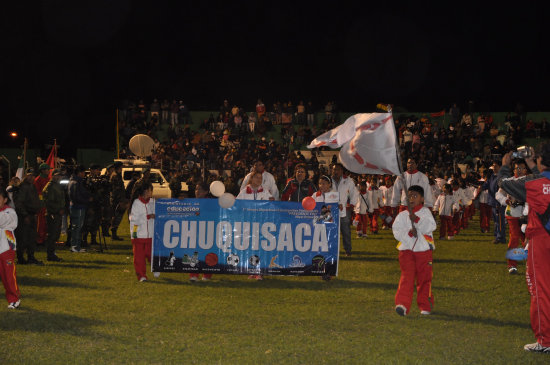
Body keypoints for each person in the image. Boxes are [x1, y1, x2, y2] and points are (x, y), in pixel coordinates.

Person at [497, 143, 550, 353]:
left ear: (539, 160)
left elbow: (503, 183)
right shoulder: (539, 178)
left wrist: (504, 165)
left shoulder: (532, 182)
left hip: (541, 239)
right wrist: (532, 165)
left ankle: (545, 340)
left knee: (540, 289)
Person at [392, 185, 437, 316]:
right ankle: (402, 304)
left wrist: (416, 220)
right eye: (409, 196)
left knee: (424, 278)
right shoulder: (402, 215)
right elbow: (396, 231)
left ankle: (425, 305)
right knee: (407, 277)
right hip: (406, 251)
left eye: (415, 196)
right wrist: (409, 234)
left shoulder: (425, 212)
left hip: (423, 250)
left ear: (422, 199)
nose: (411, 198)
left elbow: (431, 225)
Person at [237, 170, 273, 280]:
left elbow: (271, 204)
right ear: (251, 179)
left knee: (260, 247)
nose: (259, 180)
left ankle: (259, 272)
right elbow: (237, 205)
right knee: (251, 248)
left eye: (260, 178)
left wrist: (272, 201)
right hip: (248, 223)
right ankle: (252, 270)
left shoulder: (265, 191)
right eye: (257, 177)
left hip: (262, 224)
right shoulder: (244, 191)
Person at [496, 160, 528, 274]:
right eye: (517, 168)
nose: (519, 171)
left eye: (522, 168)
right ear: (513, 170)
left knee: (528, 241)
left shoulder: (530, 181)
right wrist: (506, 200)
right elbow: (498, 194)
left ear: (526, 169)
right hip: (513, 214)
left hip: (527, 215)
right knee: (514, 239)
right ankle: (512, 265)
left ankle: (531, 263)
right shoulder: (509, 181)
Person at [14, 169, 43, 265]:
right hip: (25, 216)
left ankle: (31, 257)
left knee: (32, 238)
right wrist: (24, 215)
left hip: (32, 214)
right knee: (23, 238)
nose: (32, 178)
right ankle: (20, 258)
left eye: (33, 176)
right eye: (30, 175)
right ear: (26, 175)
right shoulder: (23, 187)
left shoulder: (32, 186)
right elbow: (19, 203)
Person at [129, 182, 155, 282]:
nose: (151, 192)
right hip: (138, 234)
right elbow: (133, 218)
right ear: (144, 191)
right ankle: (141, 275)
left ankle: (155, 268)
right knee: (139, 257)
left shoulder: (152, 202)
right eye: (149, 190)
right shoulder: (136, 203)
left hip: (150, 234)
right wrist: (148, 217)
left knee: (150, 254)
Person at [330, 163, 359, 256]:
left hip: (344, 210)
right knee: (332, 231)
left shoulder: (348, 180)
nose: (336, 171)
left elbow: (354, 193)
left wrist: (351, 205)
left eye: (338, 169)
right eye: (334, 169)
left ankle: (348, 250)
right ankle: (333, 251)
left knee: (346, 231)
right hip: (330, 210)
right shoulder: (328, 181)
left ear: (342, 171)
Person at [0, 188, 21, 309]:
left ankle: (14, 298)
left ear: (5, 200)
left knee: (8, 275)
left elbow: (4, 221)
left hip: (7, 248)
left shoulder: (10, 212)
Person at [189, 182, 213, 282]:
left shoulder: (210, 203)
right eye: (196, 189)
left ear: (205, 192)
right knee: (194, 253)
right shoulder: (192, 202)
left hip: (207, 231)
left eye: (199, 189)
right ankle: (193, 274)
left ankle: (207, 274)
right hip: (195, 231)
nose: (197, 191)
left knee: (207, 253)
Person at [42, 169, 65, 261]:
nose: (59, 177)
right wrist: (58, 210)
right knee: (52, 235)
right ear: (53, 176)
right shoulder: (50, 186)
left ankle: (52, 254)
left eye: (60, 175)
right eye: (58, 175)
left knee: (55, 235)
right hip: (53, 213)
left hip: (57, 213)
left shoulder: (57, 185)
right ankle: (50, 255)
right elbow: (48, 202)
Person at [68, 165, 92, 253]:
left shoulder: (77, 182)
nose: (84, 175)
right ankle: (74, 246)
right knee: (76, 227)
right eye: (83, 173)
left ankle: (77, 246)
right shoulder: (75, 182)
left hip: (79, 206)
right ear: (79, 173)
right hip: (77, 207)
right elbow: (75, 197)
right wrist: (87, 200)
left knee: (78, 227)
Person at [482, 161, 507, 244]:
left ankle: (500, 238)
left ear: (500, 167)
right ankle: (497, 236)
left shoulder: (501, 177)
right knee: (496, 221)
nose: (494, 168)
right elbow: (486, 185)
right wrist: (480, 186)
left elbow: (502, 191)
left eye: (496, 166)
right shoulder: (492, 176)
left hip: (498, 202)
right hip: (492, 202)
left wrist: (499, 202)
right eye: (493, 166)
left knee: (500, 221)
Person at [34, 163, 51, 245]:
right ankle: (39, 240)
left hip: (47, 204)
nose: (49, 171)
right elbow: (37, 193)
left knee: (46, 223)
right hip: (41, 205)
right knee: (41, 223)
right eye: (48, 169)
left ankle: (44, 238)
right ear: (43, 170)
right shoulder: (38, 179)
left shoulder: (48, 179)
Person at [110, 161, 127, 240]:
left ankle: (114, 234)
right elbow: (116, 190)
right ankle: (114, 234)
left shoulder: (117, 175)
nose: (122, 168)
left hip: (118, 199)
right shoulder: (115, 176)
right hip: (116, 200)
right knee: (116, 216)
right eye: (121, 167)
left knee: (117, 216)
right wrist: (120, 200)